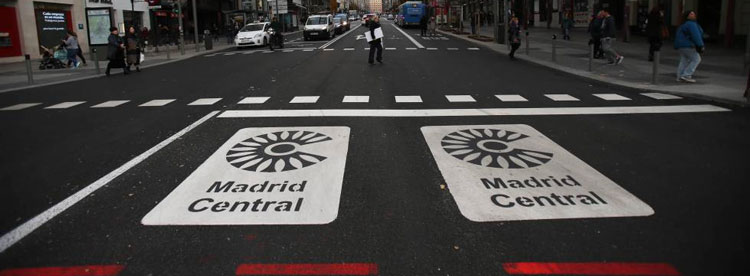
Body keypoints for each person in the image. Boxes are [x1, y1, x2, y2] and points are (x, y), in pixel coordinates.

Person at [674, 10, 705, 83]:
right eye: (691, 14)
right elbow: (696, 36)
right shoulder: (691, 24)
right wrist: (700, 45)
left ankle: (680, 76)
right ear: (687, 16)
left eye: (694, 14)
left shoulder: (683, 24)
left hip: (681, 46)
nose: (693, 15)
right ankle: (686, 75)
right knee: (696, 59)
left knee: (684, 60)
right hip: (688, 45)